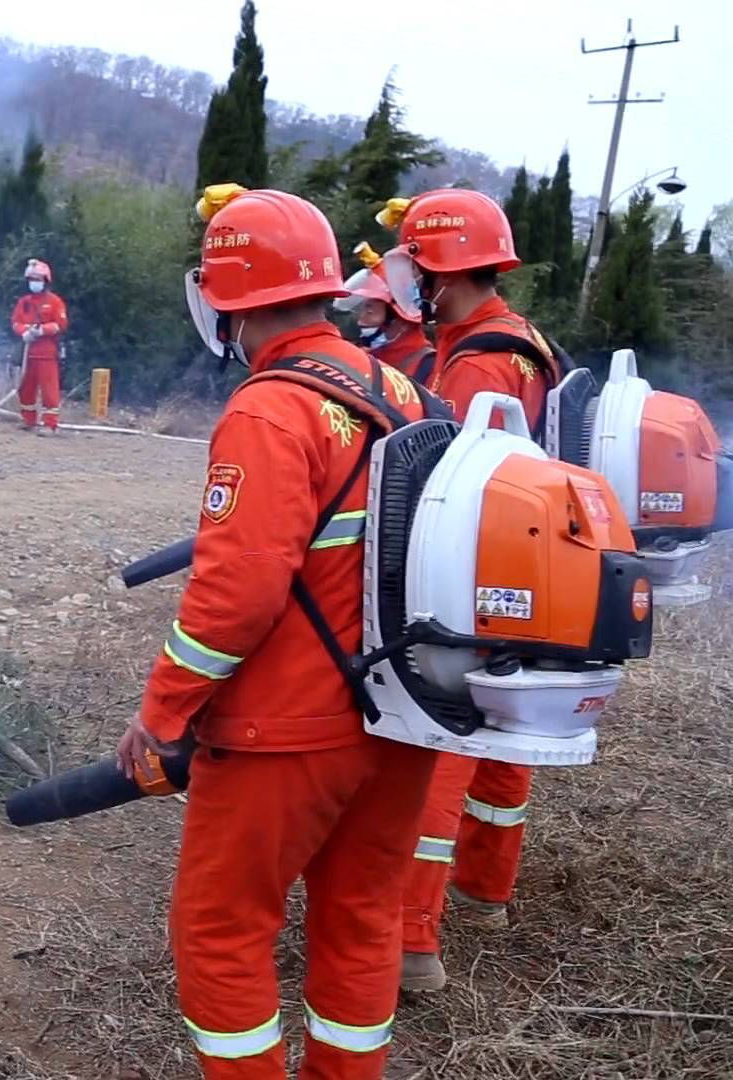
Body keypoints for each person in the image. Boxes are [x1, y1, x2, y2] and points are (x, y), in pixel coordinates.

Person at [117, 184, 437, 1078]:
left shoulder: (268, 409)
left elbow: (238, 596)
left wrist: (165, 712)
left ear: (227, 300)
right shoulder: (402, 389)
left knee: (221, 932)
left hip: (287, 732)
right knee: (362, 917)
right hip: (399, 716)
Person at [377, 189, 563, 995]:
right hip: (517, 570)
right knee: (497, 751)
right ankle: (485, 893)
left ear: (441, 272)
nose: (408, 279)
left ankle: (412, 947)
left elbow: (443, 475)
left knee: (438, 751)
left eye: (414, 263)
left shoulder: (479, 357)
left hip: (470, 573)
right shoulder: (516, 340)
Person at [333, 243, 436, 390]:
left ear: (401, 322)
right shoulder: (360, 361)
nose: (361, 319)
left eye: (370, 310)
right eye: (363, 309)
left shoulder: (429, 370)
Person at [10, 258, 68, 434]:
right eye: (31, 280)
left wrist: (41, 331)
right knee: (25, 388)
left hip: (47, 354)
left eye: (38, 279)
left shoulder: (55, 302)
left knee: (50, 390)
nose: (34, 283)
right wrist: (24, 332)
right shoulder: (24, 302)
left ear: (46, 281)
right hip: (28, 355)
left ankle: (50, 424)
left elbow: (61, 324)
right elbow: (15, 322)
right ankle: (28, 420)